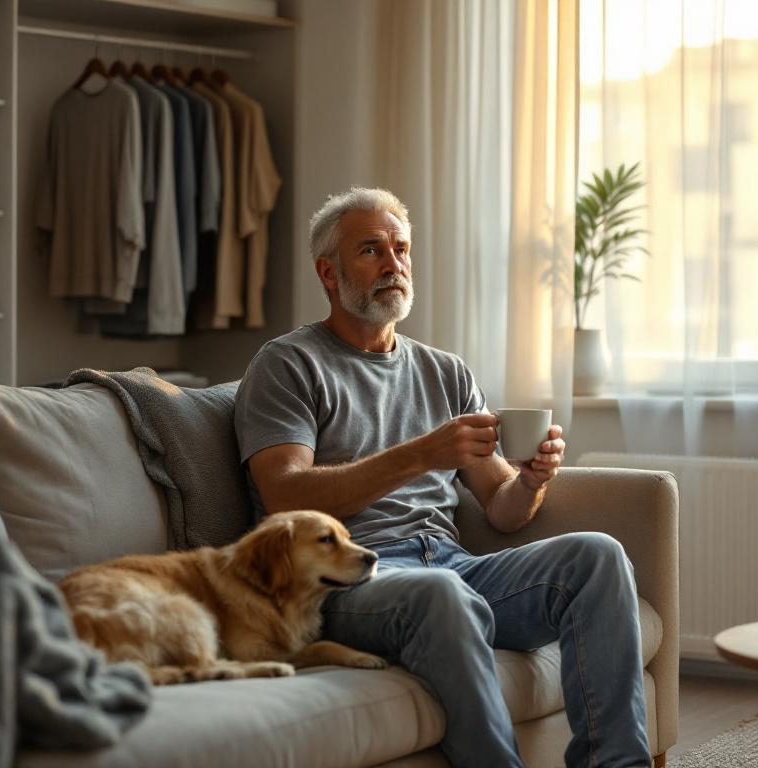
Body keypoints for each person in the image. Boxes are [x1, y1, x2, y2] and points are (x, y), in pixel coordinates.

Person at [233, 187, 650, 768]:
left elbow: (502, 509)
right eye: (371, 251)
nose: (393, 265)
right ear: (328, 273)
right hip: (344, 580)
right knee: (444, 592)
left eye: (401, 249)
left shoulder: (445, 371)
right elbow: (283, 494)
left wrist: (530, 481)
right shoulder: (287, 364)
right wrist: (418, 455)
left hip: (448, 563)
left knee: (599, 557)